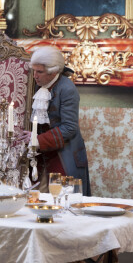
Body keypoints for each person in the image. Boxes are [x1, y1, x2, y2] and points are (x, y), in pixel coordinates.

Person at [20, 46, 91, 196]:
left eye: (39, 72)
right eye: (34, 71)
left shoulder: (67, 89)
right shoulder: (36, 86)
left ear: (53, 71)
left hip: (63, 155)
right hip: (39, 156)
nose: (35, 76)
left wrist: (38, 140)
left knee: (63, 200)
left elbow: (69, 127)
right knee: (35, 198)